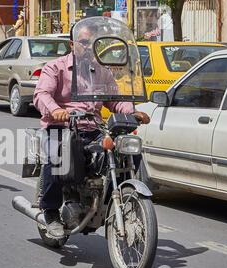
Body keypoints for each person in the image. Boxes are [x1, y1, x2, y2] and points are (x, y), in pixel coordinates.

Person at [33, 22, 150, 239]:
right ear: (72, 44)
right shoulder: (55, 67)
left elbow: (115, 101)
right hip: (62, 127)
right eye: (84, 42)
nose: (89, 47)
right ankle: (50, 213)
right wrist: (56, 110)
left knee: (127, 149)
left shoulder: (102, 72)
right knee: (57, 155)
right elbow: (41, 95)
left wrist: (133, 112)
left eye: (93, 43)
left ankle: (120, 197)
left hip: (93, 128)